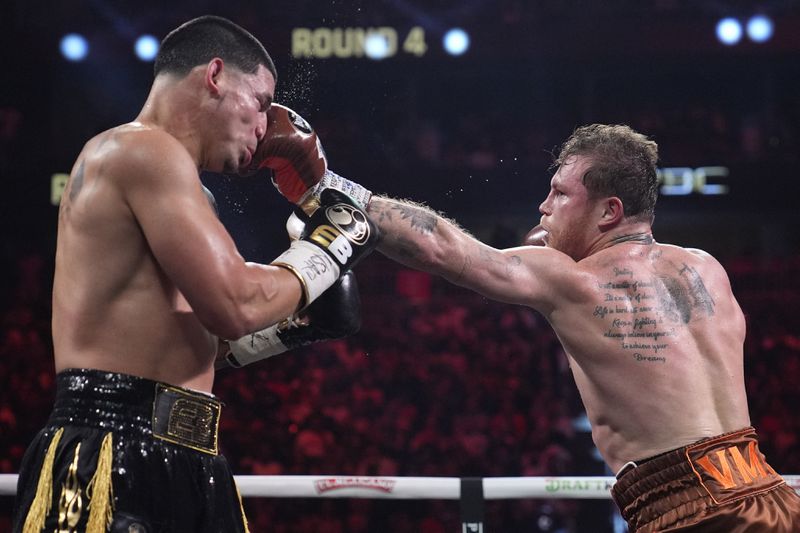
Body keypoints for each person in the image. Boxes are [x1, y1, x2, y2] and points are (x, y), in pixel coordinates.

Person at [265, 115, 800, 531]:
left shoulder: (573, 279)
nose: (543, 206)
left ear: (609, 211)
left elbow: (448, 251)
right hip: (772, 492)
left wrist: (329, 188)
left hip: (690, 511)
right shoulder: (707, 268)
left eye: (561, 194)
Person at [13, 16, 375, 533]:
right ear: (215, 77)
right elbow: (235, 305)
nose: (265, 127)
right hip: (111, 445)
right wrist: (332, 243)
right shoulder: (140, 149)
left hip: (186, 453)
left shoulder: (185, 189)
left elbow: (196, 341)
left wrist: (296, 327)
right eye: (261, 102)